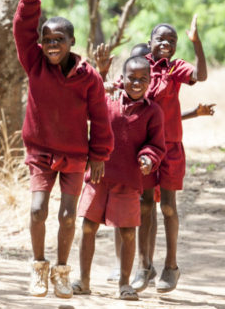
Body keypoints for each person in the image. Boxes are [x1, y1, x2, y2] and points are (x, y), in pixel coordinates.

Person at [14, 0, 113, 299]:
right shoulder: (34, 63)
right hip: (40, 151)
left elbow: (100, 118)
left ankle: (61, 271)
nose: (52, 45)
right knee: (38, 209)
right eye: (47, 40)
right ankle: (38, 268)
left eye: (59, 40)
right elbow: (21, 31)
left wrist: (99, 154)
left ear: (71, 41)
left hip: (74, 154)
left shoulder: (89, 77)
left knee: (68, 216)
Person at [94, 43, 215, 286]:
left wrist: (193, 112)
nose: (138, 79)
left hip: (166, 149)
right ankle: (140, 265)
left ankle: (169, 266)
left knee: (165, 207)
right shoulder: (130, 84)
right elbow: (107, 100)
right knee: (140, 205)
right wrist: (103, 72)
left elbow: (162, 115)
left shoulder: (167, 73)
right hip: (138, 151)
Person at [73, 55, 165, 300]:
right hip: (99, 177)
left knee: (127, 232)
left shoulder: (153, 112)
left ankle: (125, 284)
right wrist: (101, 76)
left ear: (150, 81)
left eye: (142, 79)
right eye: (131, 78)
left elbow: (156, 145)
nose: (136, 83)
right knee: (88, 226)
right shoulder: (107, 100)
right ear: (122, 79)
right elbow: (88, 107)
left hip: (128, 180)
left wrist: (147, 158)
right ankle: (83, 280)